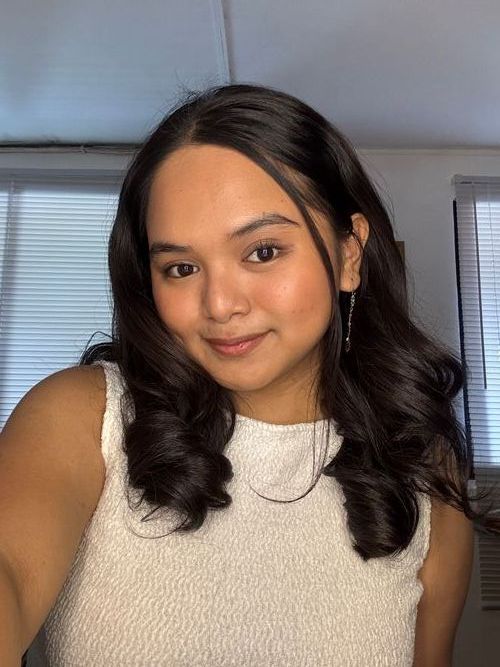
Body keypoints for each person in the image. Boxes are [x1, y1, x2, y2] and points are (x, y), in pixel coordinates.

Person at [0, 83, 495, 667]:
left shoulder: (422, 467)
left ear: (349, 255)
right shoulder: (87, 416)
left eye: (262, 252)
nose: (219, 304)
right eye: (181, 267)